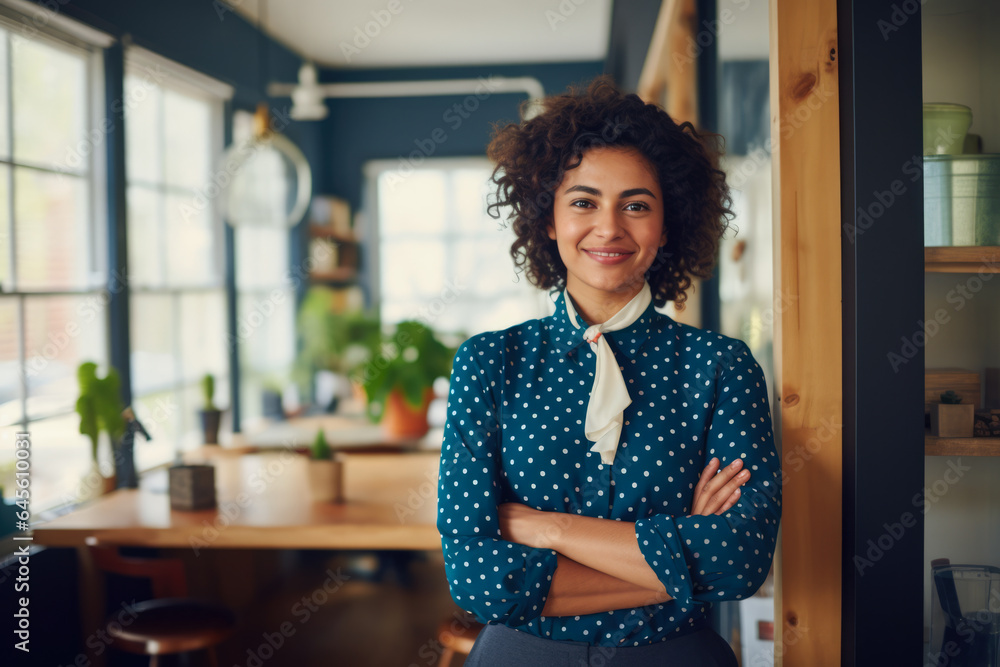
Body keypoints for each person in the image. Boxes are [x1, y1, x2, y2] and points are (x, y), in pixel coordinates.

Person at [436, 76, 781, 666]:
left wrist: (549, 530)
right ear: (547, 219)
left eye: (637, 205)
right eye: (583, 201)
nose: (609, 227)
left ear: (667, 225)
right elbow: (478, 581)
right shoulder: (488, 364)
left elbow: (739, 561)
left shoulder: (722, 368)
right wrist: (680, 561)